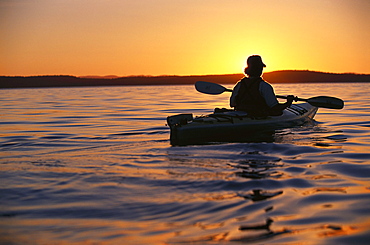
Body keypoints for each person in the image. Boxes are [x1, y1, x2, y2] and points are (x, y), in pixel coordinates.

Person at [230, 55, 295, 117]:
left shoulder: (239, 84)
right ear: (260, 69)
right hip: (258, 116)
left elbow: (232, 104)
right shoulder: (264, 86)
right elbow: (275, 107)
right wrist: (288, 103)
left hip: (240, 115)